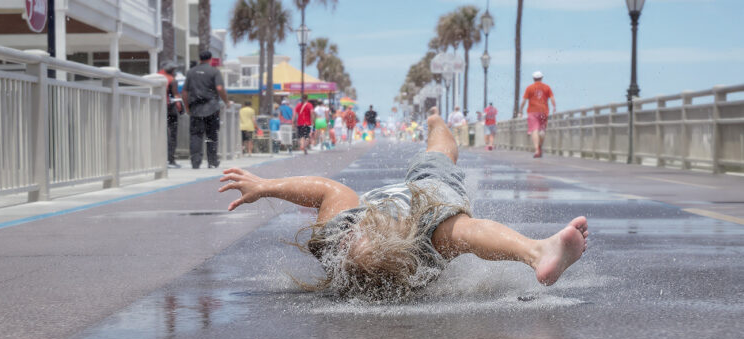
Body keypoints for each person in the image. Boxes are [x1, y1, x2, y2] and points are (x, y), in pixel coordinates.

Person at [218, 107, 589, 301]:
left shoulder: (338, 241)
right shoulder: (424, 238)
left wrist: (265, 185)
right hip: (431, 193)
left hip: (425, 216)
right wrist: (264, 186)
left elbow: (324, 191)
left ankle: (537, 252)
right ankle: (536, 251)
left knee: (460, 232)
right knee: (440, 156)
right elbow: (326, 188)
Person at [182, 50, 228, 169]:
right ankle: (212, 161)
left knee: (196, 135)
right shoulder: (214, 71)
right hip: (212, 107)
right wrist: (226, 101)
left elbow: (185, 92)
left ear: (200, 58)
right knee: (211, 135)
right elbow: (219, 87)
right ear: (210, 59)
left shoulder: (191, 72)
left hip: (196, 108)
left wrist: (187, 107)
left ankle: (195, 162)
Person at [519, 71, 556, 158]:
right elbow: (552, 98)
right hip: (544, 111)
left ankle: (536, 149)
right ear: (541, 78)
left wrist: (521, 110)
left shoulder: (529, 88)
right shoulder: (547, 87)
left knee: (534, 130)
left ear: (533, 78)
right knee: (542, 130)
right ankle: (540, 146)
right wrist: (554, 107)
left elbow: (524, 100)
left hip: (532, 111)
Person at [158, 61, 182, 168]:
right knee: (172, 135)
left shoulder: (157, 77)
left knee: (159, 134)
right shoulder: (172, 80)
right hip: (170, 110)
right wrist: (181, 109)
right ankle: (170, 159)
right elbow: (176, 96)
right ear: (172, 70)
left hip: (157, 110)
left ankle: (159, 159)